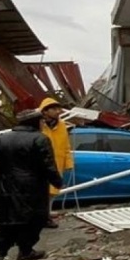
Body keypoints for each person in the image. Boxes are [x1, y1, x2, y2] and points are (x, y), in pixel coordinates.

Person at [0, 109, 64, 260]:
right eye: (41, 121)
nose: (43, 124)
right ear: (35, 122)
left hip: (8, 186)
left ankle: (0, 253)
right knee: (35, 219)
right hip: (33, 187)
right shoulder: (40, 139)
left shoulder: (1, 139)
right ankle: (26, 250)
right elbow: (48, 165)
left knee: (7, 219)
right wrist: (57, 182)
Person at [39, 97, 73, 229]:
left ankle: (46, 217)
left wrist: (68, 163)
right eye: (54, 109)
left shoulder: (62, 125)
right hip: (41, 165)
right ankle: (42, 218)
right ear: (45, 111)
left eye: (58, 109)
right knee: (41, 193)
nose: (58, 111)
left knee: (53, 193)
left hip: (57, 163)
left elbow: (66, 146)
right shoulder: (39, 125)